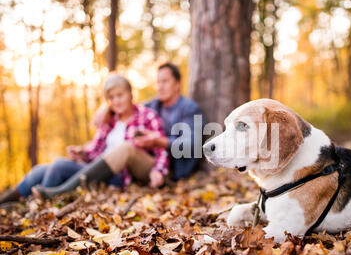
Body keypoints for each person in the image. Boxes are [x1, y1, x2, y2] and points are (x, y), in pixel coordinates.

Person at [0, 73, 169, 204]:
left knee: (60, 165)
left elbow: (160, 149)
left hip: (121, 175)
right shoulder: (109, 121)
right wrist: (82, 152)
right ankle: (11, 202)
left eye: (120, 95)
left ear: (130, 94)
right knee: (45, 168)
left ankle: (49, 198)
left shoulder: (147, 116)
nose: (116, 101)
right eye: (111, 98)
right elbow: (95, 151)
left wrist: (159, 172)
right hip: (98, 169)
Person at [93, 63, 205, 182]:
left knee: (126, 149)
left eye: (165, 81)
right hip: (149, 165)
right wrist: (107, 109)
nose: (160, 87)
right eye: (158, 82)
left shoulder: (189, 108)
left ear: (177, 84)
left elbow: (193, 144)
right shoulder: (153, 105)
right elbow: (128, 106)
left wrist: (158, 141)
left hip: (175, 171)